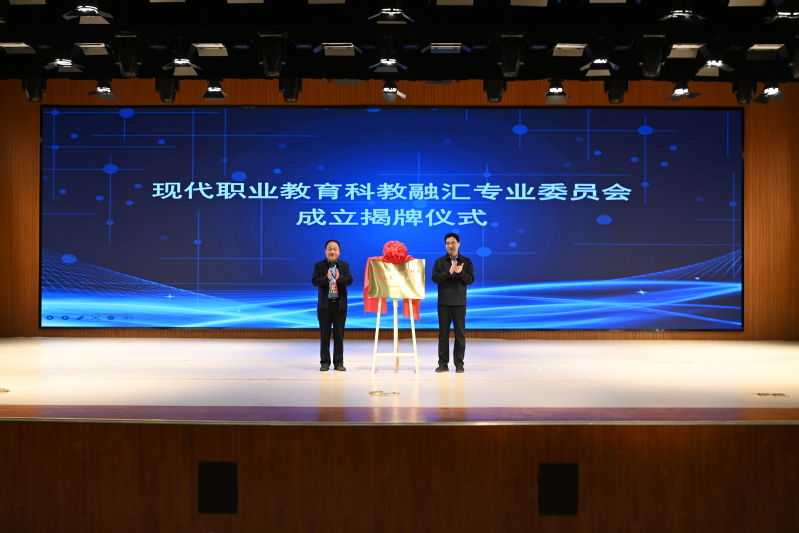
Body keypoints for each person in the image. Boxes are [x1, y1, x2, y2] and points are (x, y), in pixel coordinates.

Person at [431, 232, 474, 373]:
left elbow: (470, 280)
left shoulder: (466, 261)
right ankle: (443, 364)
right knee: (443, 335)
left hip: (459, 303)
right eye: (447, 243)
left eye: (453, 243)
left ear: (458, 244)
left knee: (460, 335)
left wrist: (461, 272)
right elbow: (435, 278)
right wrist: (449, 272)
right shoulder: (439, 262)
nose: (450, 246)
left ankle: (459, 364)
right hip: (443, 303)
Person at [311, 239, 353, 371]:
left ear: (339, 252)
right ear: (325, 251)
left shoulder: (344, 265)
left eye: (335, 249)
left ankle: (338, 362)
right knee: (325, 335)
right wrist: (326, 278)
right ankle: (324, 362)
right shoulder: (319, 265)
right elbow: (315, 281)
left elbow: (349, 281)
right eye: (330, 249)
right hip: (325, 306)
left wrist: (339, 278)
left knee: (339, 335)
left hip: (339, 306)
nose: (332, 251)